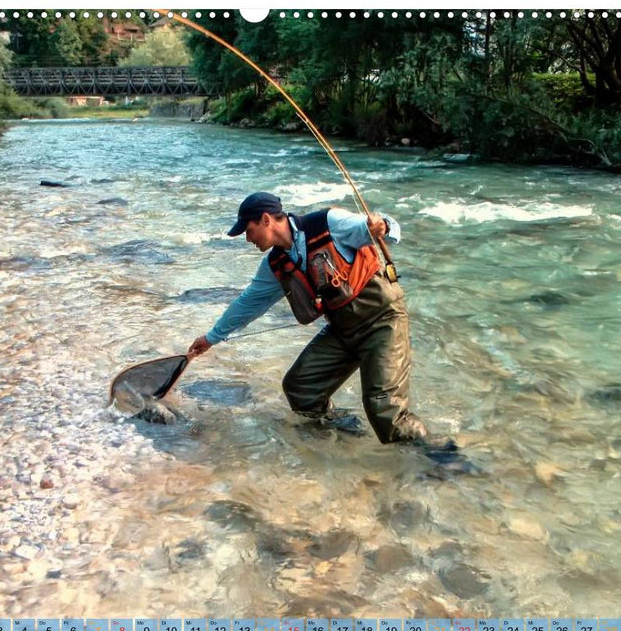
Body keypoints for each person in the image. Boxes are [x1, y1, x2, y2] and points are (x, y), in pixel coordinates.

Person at [188, 192, 457, 452]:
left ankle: (440, 458)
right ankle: (343, 434)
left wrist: (382, 226)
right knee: (300, 388)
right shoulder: (276, 263)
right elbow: (248, 303)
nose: (247, 239)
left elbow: (388, 225)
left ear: (266, 220)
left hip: (383, 320)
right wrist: (211, 338)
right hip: (342, 329)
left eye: (248, 230)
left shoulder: (329, 223)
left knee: (384, 407)